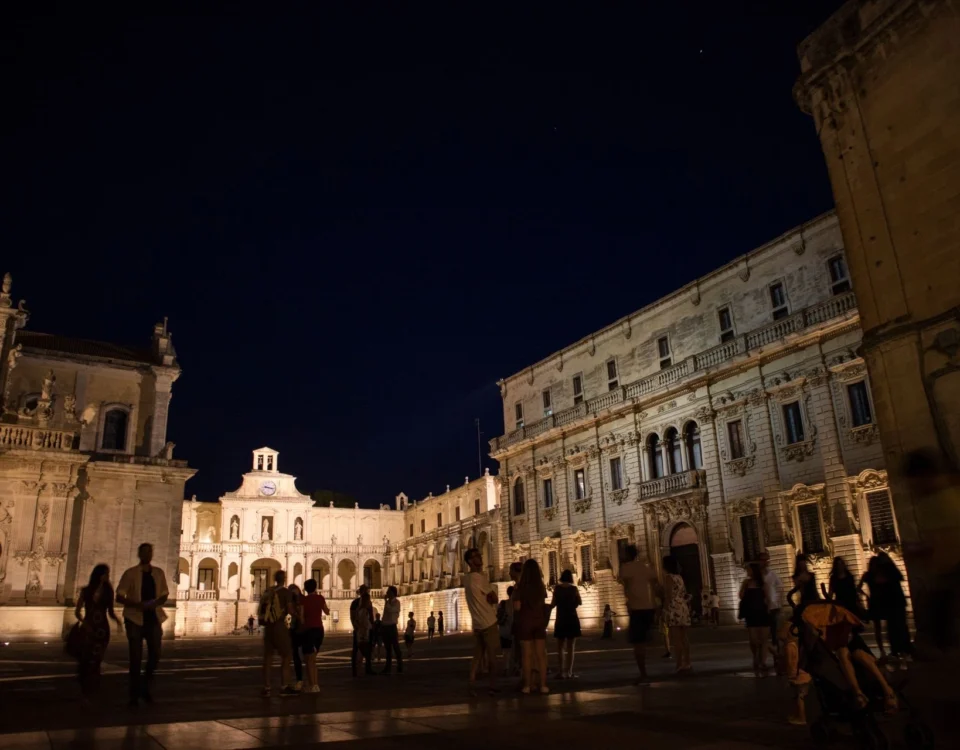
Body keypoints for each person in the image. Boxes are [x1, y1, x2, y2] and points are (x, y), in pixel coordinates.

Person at [901, 448, 960, 655]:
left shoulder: (944, 498)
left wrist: (917, 549)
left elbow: (947, 541)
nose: (910, 486)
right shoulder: (928, 501)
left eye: (912, 479)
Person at [116, 543, 169, 708]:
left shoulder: (159, 573)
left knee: (155, 655)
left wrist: (155, 603)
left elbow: (164, 594)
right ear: (139, 554)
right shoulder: (130, 573)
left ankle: (145, 686)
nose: (148, 554)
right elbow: (119, 595)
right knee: (135, 658)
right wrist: (137, 605)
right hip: (134, 619)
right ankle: (134, 694)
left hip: (153, 618)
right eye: (145, 552)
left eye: (150, 552)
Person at [74, 564, 120, 700]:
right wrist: (84, 622)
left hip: (102, 629)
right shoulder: (86, 591)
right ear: (98, 575)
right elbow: (77, 612)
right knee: (86, 656)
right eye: (105, 573)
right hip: (89, 627)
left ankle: (94, 684)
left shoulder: (108, 591)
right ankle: (84, 682)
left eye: (108, 574)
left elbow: (110, 611)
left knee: (97, 657)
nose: (107, 576)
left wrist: (117, 621)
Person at [618, 544, 661, 684]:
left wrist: (629, 600)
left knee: (638, 644)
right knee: (643, 639)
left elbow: (624, 585)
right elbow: (655, 582)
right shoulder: (644, 566)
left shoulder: (625, 568)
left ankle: (643, 674)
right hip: (648, 607)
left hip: (636, 609)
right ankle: (651, 643)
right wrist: (655, 601)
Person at [860, 552, 911, 667]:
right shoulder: (877, 574)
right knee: (894, 628)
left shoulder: (885, 573)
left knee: (895, 628)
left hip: (887, 603)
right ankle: (897, 652)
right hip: (884, 603)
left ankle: (898, 652)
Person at [462, 546, 502, 695]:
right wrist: (489, 596)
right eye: (477, 556)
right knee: (492, 656)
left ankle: (471, 682)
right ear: (471, 561)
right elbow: (495, 598)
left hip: (477, 623)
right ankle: (493, 685)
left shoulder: (466, 579)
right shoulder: (480, 578)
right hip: (489, 621)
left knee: (477, 655)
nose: (481, 557)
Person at [257, 570, 298, 697]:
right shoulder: (286, 592)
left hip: (268, 627)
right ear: (284, 579)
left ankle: (266, 687)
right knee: (286, 656)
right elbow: (290, 610)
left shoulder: (268, 592)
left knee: (268, 658)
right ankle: (284, 685)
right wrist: (298, 616)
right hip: (280, 626)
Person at [513, 558, 549, 694]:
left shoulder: (520, 587)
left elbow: (517, 607)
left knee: (526, 656)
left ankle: (527, 685)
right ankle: (543, 685)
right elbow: (542, 603)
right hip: (539, 621)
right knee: (541, 655)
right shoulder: (541, 587)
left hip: (526, 622)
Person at [738, 562, 770, 676]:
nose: (747, 572)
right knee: (753, 639)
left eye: (749, 570)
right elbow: (740, 595)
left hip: (762, 613)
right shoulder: (746, 583)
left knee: (764, 639)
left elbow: (768, 598)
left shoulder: (763, 584)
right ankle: (756, 656)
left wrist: (769, 610)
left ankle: (763, 661)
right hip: (751, 614)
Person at [662, 555, 692, 672]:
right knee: (684, 638)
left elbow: (668, 596)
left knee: (676, 639)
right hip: (682, 607)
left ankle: (679, 664)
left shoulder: (668, 577)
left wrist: (664, 610)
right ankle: (688, 662)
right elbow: (684, 593)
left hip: (674, 608)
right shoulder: (679, 577)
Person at [550, 569, 582, 679]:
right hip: (572, 619)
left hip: (561, 619)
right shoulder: (574, 589)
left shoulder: (557, 589)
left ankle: (561, 671)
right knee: (571, 647)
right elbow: (580, 602)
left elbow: (553, 604)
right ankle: (569, 672)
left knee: (560, 647)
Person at [300, 578, 329, 694]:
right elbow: (327, 611)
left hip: (308, 630)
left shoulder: (304, 601)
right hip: (319, 630)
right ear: (315, 588)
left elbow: (302, 617)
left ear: (306, 589)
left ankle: (313, 685)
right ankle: (314, 684)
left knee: (309, 660)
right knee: (313, 659)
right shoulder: (320, 598)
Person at [758, 551, 783, 668]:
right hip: (761, 608)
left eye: (767, 560)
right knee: (761, 636)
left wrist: (779, 603)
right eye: (763, 560)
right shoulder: (757, 575)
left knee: (775, 635)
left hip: (773, 607)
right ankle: (765, 658)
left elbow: (780, 588)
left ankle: (776, 659)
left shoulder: (773, 574)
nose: (765, 562)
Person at [380, 586, 403, 674]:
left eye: (388, 591)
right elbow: (385, 615)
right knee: (388, 648)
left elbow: (390, 610)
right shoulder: (388, 602)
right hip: (385, 627)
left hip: (392, 627)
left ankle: (399, 665)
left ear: (393, 593)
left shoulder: (396, 602)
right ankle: (388, 667)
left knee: (395, 646)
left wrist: (386, 602)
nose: (387, 593)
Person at [349, 584, 369, 677]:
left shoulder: (364, 605)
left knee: (362, 649)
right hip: (361, 630)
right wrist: (356, 627)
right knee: (359, 649)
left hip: (364, 630)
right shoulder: (356, 603)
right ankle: (357, 669)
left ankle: (361, 669)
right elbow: (353, 618)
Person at [287, 583, 304, 690]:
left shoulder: (298, 602)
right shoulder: (299, 601)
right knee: (298, 656)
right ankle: (302, 680)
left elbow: (299, 617)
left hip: (299, 629)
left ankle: (300, 680)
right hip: (297, 629)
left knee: (297, 656)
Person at [355, 589, 375, 674]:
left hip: (361, 633)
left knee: (361, 652)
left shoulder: (360, 610)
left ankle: (360, 670)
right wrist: (366, 631)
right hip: (364, 634)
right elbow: (364, 623)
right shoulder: (364, 611)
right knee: (362, 652)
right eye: (368, 600)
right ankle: (360, 670)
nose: (369, 602)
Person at [498, 586, 515, 658]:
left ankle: (506, 667)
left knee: (505, 651)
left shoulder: (503, 603)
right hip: (514, 631)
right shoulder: (517, 604)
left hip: (504, 631)